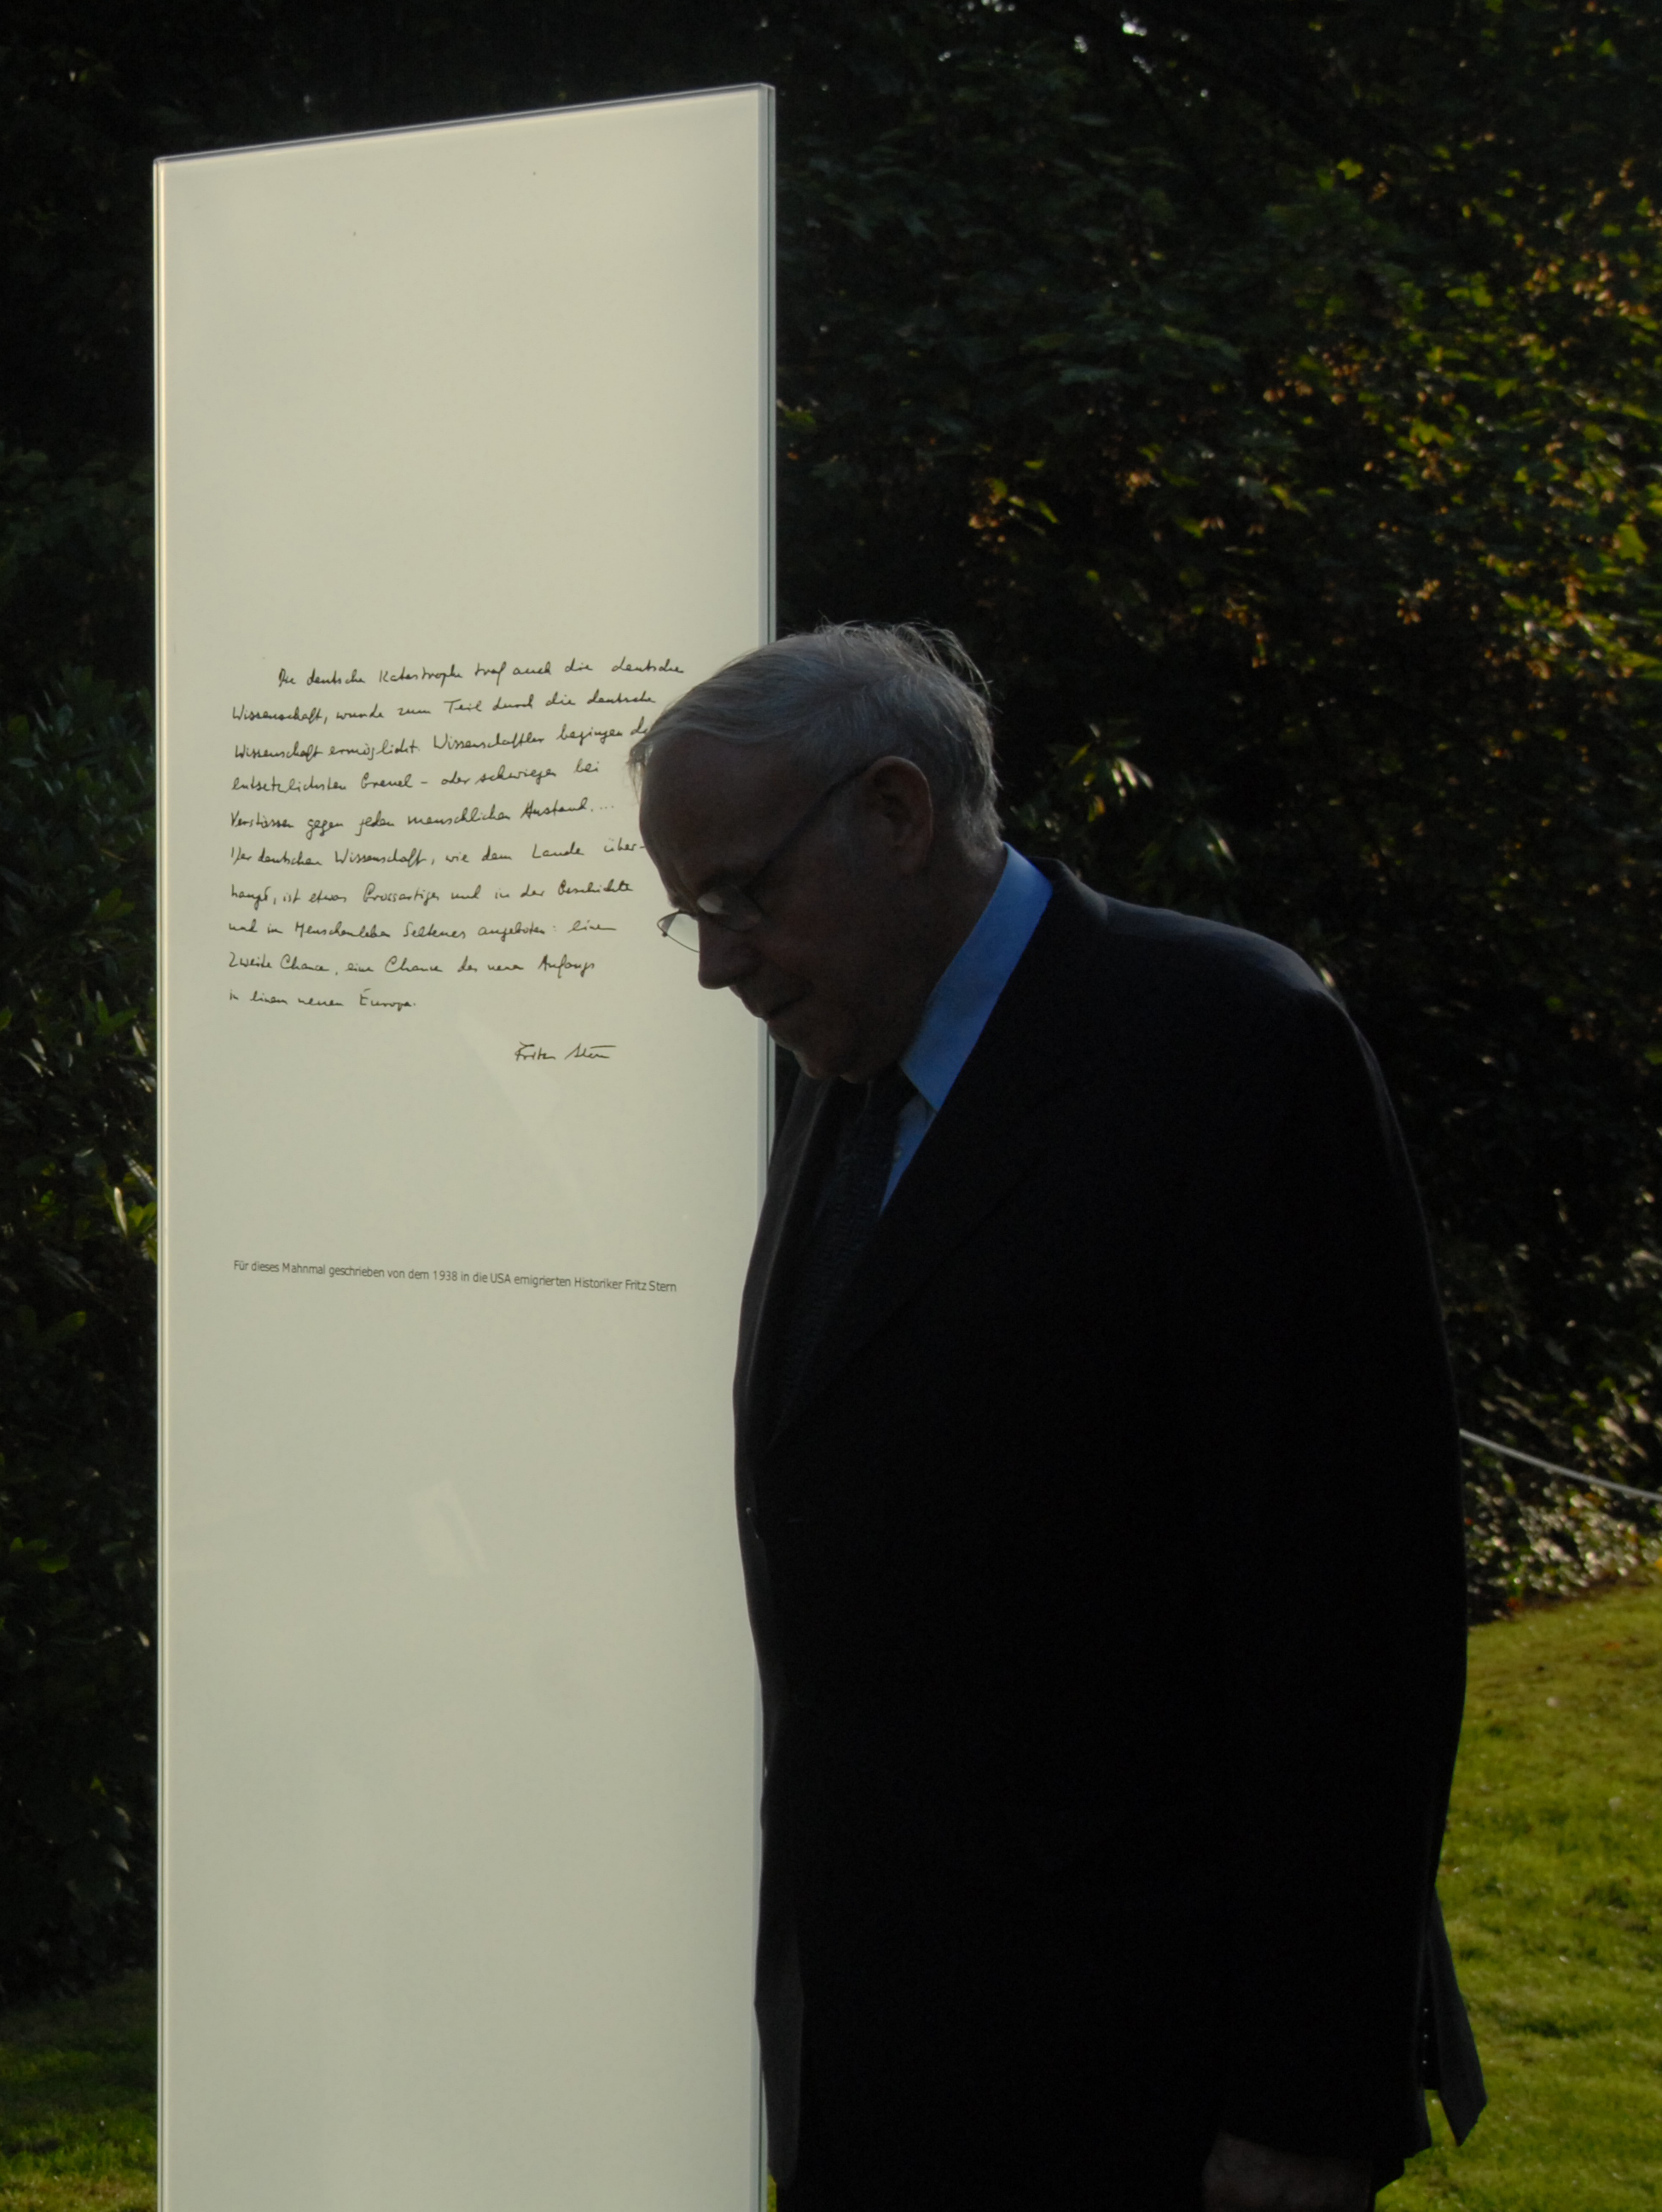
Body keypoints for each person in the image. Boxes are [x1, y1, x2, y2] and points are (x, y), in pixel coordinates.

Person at [631, 626, 1485, 2212]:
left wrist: (1309, 2099)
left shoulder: (1230, 1047)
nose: (717, 960)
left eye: (742, 895)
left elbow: (1348, 1621)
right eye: (692, 912)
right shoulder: (843, 1068)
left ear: (895, 812)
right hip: (883, 2067)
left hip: (1146, 2085)